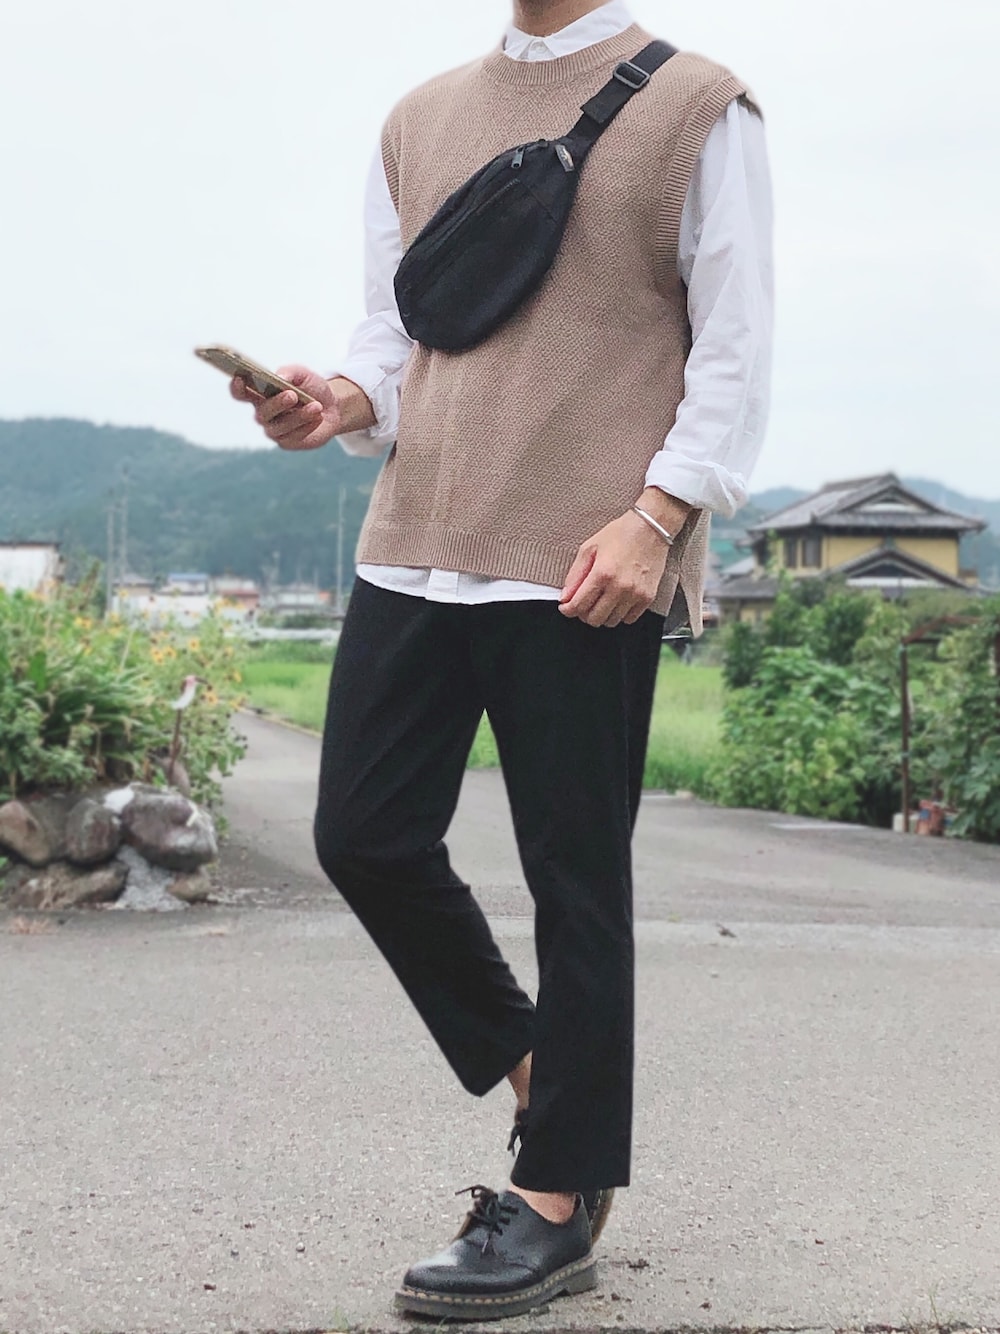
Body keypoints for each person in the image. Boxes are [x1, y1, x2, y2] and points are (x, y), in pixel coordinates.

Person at [232, 0, 772, 1320]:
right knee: (365, 835)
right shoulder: (418, 119)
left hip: (588, 553)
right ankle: (551, 1087)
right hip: (414, 538)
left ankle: (555, 1200)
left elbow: (738, 345)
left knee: (575, 876)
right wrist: (333, 402)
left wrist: (659, 519)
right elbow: (396, 339)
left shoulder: (700, 105)